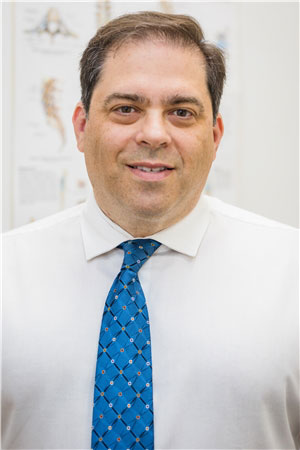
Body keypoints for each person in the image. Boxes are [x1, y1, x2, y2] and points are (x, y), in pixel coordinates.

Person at [2, 11, 299, 450]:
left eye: (182, 112)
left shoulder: (291, 273)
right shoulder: (6, 273)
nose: (155, 133)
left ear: (215, 136)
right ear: (82, 127)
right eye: (126, 109)